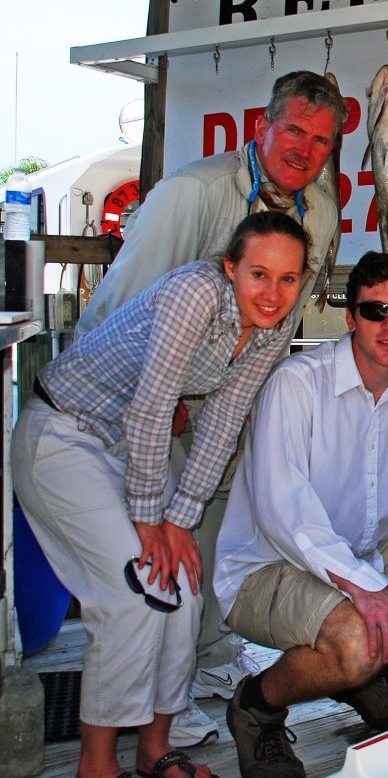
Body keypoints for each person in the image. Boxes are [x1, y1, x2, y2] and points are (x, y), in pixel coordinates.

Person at [75, 70, 347, 745]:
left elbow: (284, 317)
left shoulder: (320, 208)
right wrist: (150, 396)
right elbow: (119, 303)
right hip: (156, 404)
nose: (305, 149)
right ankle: (151, 705)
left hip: (233, 403)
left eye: (321, 139)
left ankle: (206, 665)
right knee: (158, 552)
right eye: (294, 131)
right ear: (263, 124)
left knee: (211, 536)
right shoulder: (192, 192)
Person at [12, 211, 310, 778]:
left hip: (123, 446)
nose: (273, 293)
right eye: (259, 275)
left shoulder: (275, 318)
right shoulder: (194, 293)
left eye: (288, 279)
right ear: (231, 268)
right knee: (134, 590)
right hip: (64, 431)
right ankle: (96, 764)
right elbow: (154, 407)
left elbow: (223, 419)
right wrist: (156, 523)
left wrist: (180, 523)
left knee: (183, 586)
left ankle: (156, 746)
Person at [215, 251, 388, 778]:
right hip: (267, 566)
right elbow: (284, 513)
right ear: (350, 316)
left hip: (356, 556)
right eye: (375, 310)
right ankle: (257, 707)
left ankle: (364, 677)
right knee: (357, 641)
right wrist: (366, 587)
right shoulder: (297, 383)